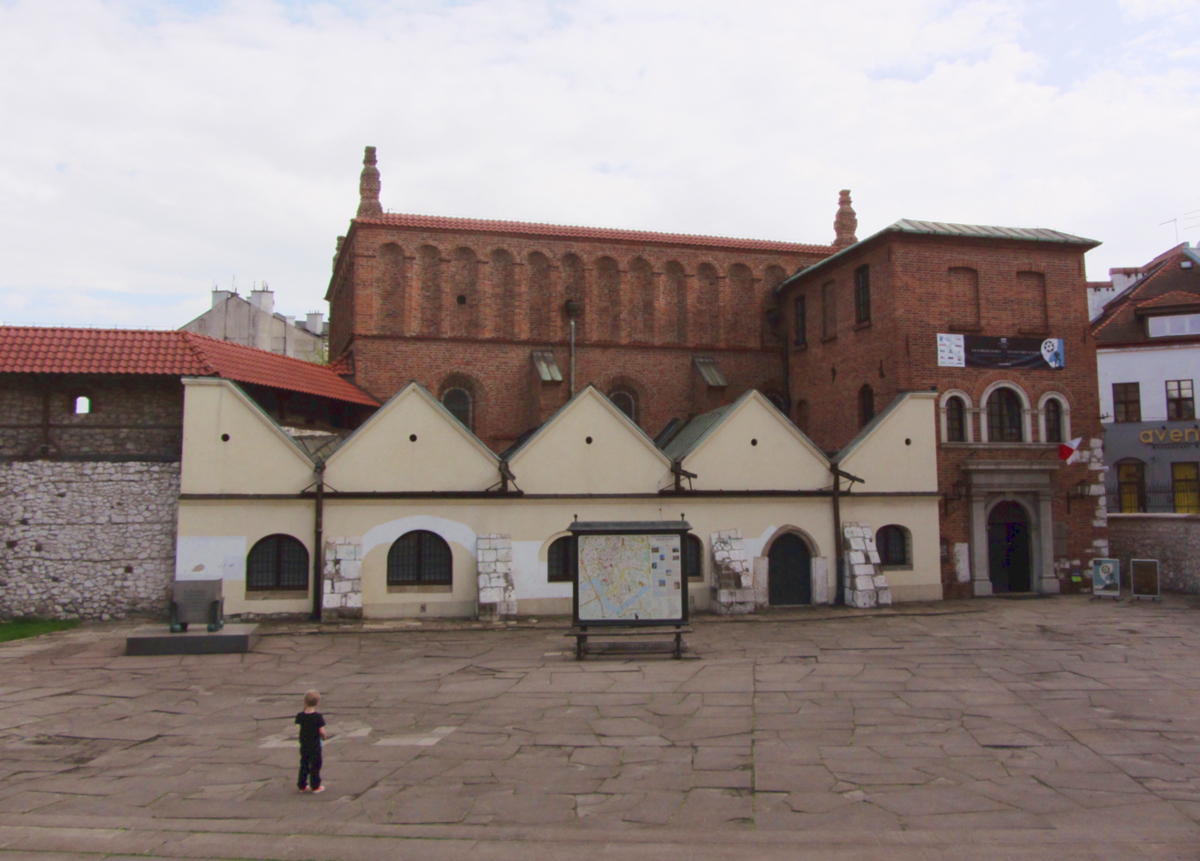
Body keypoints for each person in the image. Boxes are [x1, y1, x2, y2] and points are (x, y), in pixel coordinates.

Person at [295, 689, 327, 793]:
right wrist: (324, 737)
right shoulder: (318, 717)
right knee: (315, 764)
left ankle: (302, 784)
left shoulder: (300, 716)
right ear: (317, 702)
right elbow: (322, 731)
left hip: (304, 744)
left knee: (304, 763)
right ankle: (315, 785)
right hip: (315, 744)